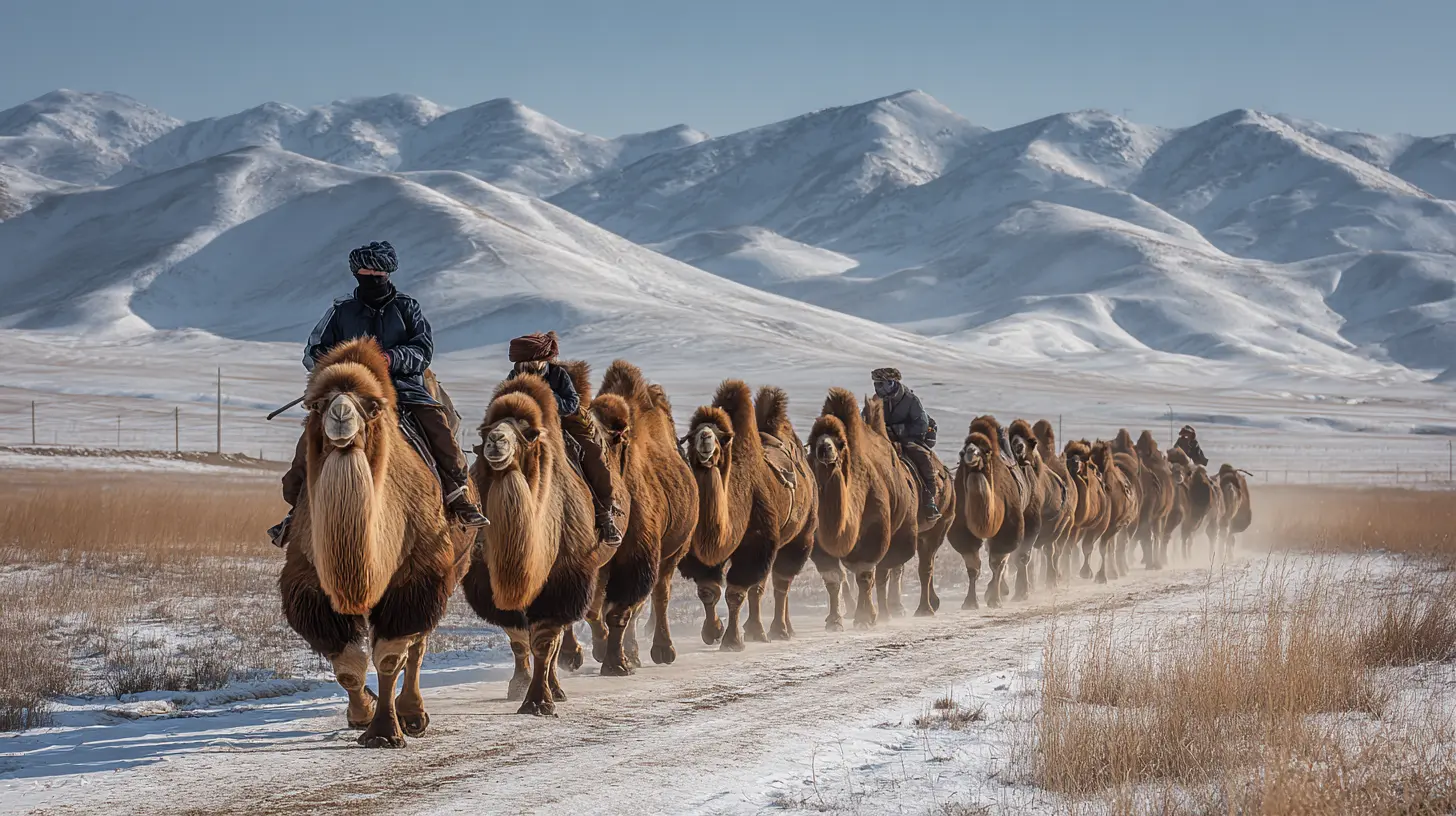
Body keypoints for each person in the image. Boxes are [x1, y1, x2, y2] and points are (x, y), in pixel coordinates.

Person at [268, 241, 488, 546]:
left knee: (437, 425)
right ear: (356, 272)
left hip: (404, 388)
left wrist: (390, 359)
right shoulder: (340, 310)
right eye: (364, 271)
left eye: (377, 271)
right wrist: (345, 361)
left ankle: (456, 493)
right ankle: (299, 507)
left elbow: (423, 351)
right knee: (313, 434)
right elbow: (314, 351)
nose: (371, 276)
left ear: (388, 271)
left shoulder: (408, 308)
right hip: (352, 391)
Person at [506, 331, 624, 546]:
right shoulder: (515, 376)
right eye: (521, 362)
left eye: (528, 361)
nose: (524, 367)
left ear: (541, 359)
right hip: (523, 427)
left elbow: (571, 403)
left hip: (560, 426)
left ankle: (604, 514)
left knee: (591, 455)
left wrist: (546, 397)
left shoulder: (558, 375)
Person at [871, 367, 941, 523]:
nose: (879, 389)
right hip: (881, 440)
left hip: (909, 439)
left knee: (921, 458)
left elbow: (921, 425)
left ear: (892, 383)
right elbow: (866, 419)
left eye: (882, 384)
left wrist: (895, 430)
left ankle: (929, 499)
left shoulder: (911, 400)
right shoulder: (875, 400)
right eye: (876, 385)